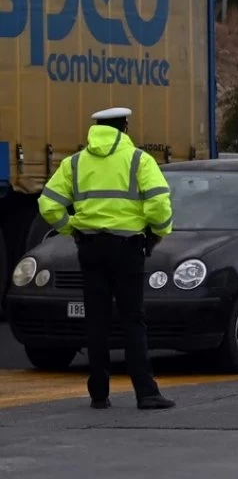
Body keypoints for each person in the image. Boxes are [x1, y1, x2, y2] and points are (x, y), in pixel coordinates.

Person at [37, 107, 177, 410]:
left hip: (90, 249)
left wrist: (71, 228)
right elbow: (158, 205)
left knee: (96, 320)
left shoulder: (75, 163)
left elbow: (48, 204)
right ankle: (146, 392)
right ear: (124, 127)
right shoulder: (139, 160)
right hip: (128, 249)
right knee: (132, 320)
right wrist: (158, 232)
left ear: (97, 129)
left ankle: (99, 393)